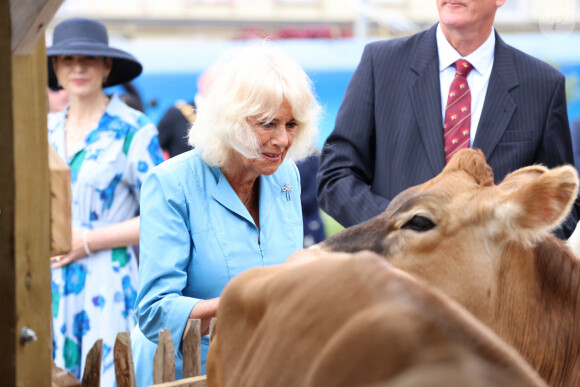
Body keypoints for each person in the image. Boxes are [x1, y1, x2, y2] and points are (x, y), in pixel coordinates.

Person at [131, 44, 320, 386]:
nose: (282, 140)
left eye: (292, 124)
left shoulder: (285, 175)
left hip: (262, 368)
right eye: (268, 124)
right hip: (185, 373)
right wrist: (246, 298)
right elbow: (154, 312)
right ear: (231, 120)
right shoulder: (172, 183)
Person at [317, 0, 578, 239]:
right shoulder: (381, 64)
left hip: (489, 285)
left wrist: (505, 259)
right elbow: (336, 175)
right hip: (393, 279)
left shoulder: (541, 84)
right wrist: (400, 226)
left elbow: (560, 201)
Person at [47, 17, 164, 385]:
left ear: (106, 66)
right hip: (49, 280)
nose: (78, 67)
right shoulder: (41, 129)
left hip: (108, 281)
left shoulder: (135, 130)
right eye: (67, 59)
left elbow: (162, 218)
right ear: (55, 67)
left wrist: (86, 241)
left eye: (89, 59)